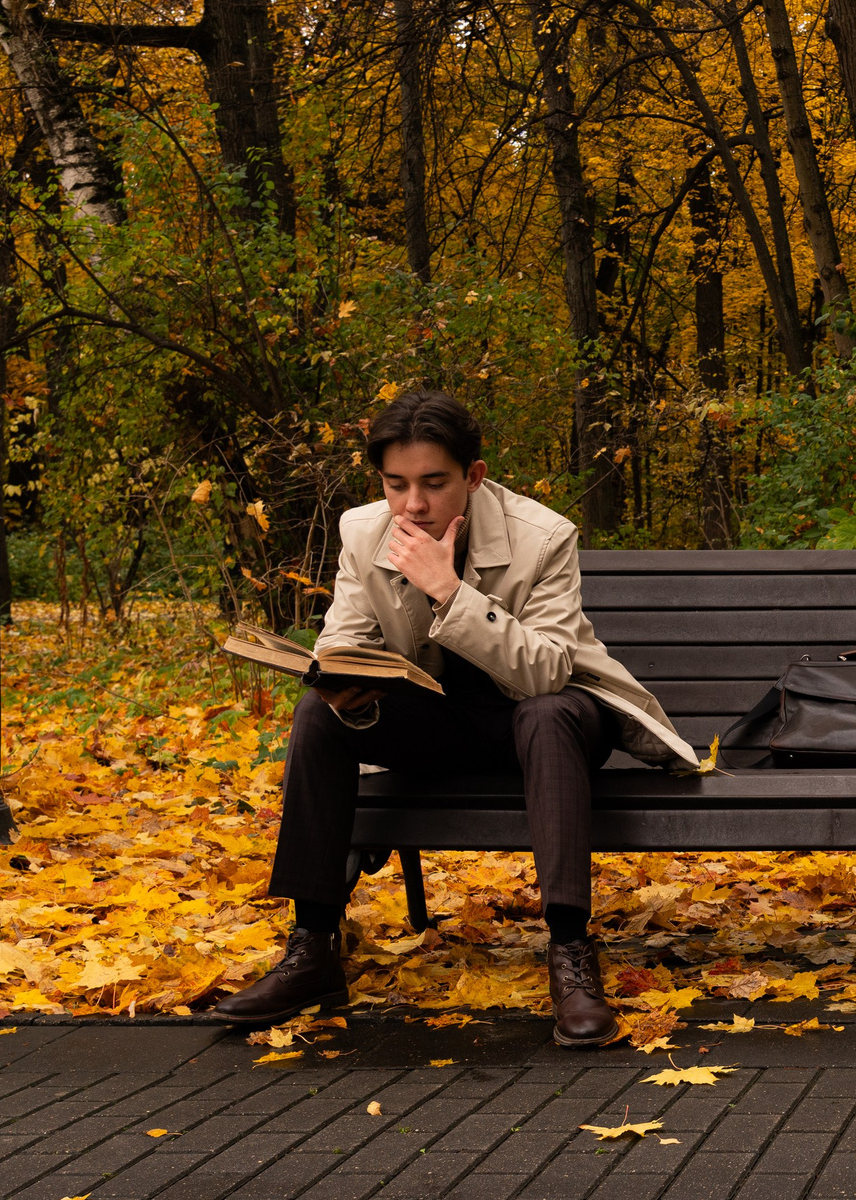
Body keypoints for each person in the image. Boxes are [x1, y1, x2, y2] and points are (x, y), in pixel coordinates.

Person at [209, 390, 696, 1045]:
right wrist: (345, 688)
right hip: (441, 723)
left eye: (434, 483)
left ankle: (570, 954)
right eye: (396, 484)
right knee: (317, 716)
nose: (413, 504)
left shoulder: (542, 537)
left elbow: (548, 670)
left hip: (548, 723)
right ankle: (311, 949)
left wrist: (449, 590)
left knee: (547, 713)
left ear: (474, 476)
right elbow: (343, 641)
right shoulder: (364, 532)